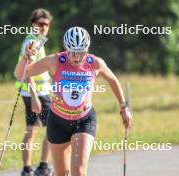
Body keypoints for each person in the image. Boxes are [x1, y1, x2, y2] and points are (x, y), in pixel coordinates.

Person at [14, 26, 132, 176]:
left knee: (79, 171)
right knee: (61, 173)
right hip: (57, 122)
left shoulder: (95, 63)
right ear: (66, 49)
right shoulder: (55, 61)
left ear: (87, 49)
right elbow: (20, 74)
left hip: (83, 121)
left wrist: (124, 107)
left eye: (81, 52)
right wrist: (25, 58)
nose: (76, 57)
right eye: (72, 52)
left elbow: (113, 80)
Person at [15, 8, 53, 176]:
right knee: (53, 128)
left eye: (47, 24)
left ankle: (27, 169)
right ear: (33, 25)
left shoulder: (35, 40)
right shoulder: (33, 42)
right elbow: (28, 71)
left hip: (35, 92)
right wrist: (35, 97)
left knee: (31, 129)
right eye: (41, 24)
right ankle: (42, 167)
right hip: (36, 93)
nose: (44, 27)